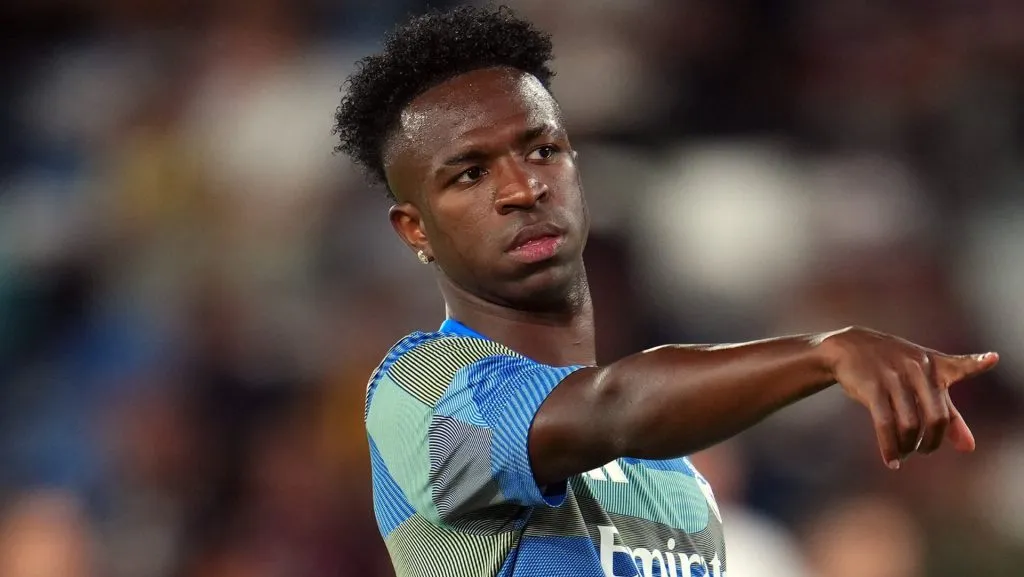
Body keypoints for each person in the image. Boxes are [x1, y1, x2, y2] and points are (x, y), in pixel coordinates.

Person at [333, 6, 999, 577]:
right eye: (472, 173)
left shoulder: (677, 480)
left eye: (542, 150)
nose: (522, 188)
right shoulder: (418, 392)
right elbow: (614, 404)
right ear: (414, 226)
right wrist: (825, 354)